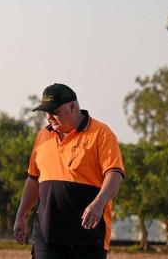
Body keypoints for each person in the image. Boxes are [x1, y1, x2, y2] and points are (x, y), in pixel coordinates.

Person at [13, 83, 125, 259]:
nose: (49, 117)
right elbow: (33, 179)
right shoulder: (43, 136)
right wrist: (21, 215)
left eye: (54, 111)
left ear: (72, 107)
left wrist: (98, 204)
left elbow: (115, 174)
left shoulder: (102, 134)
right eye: (47, 112)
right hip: (47, 236)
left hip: (87, 237)